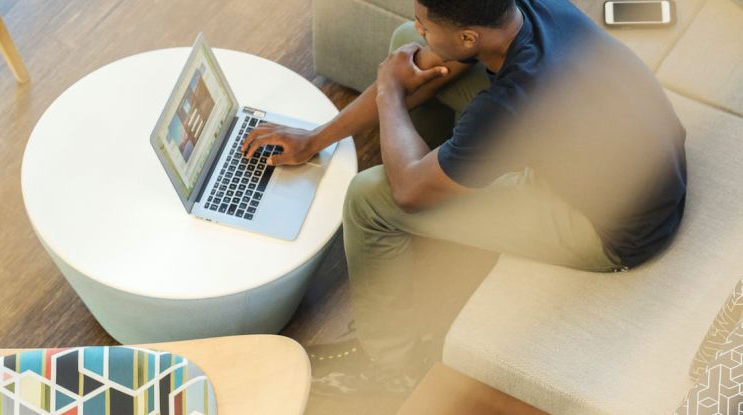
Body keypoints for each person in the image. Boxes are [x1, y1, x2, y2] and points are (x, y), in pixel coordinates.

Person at [241, 0, 687, 397]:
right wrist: (315, 138)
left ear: (470, 36)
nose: (419, 30)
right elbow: (426, 59)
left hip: (611, 226)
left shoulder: (515, 101)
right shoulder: (526, 11)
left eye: (425, 23)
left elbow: (407, 192)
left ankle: (389, 365)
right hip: (633, 161)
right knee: (406, 51)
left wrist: (391, 94)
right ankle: (444, 179)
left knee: (369, 199)